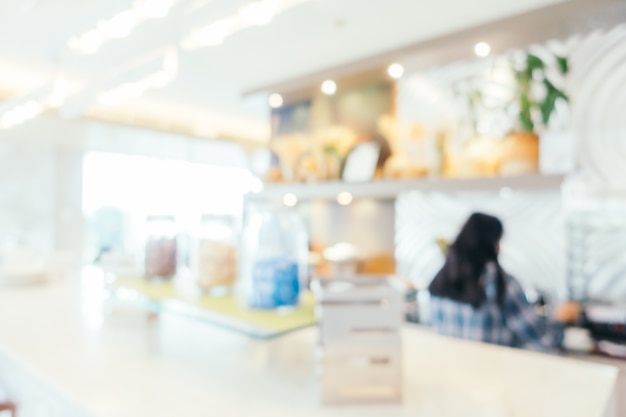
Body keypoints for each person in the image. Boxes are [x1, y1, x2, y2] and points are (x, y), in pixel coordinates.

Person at [428, 212, 580, 351]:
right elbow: (544, 342)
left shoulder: (442, 279)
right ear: (491, 243)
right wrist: (560, 318)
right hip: (494, 377)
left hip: (450, 376)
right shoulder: (500, 284)